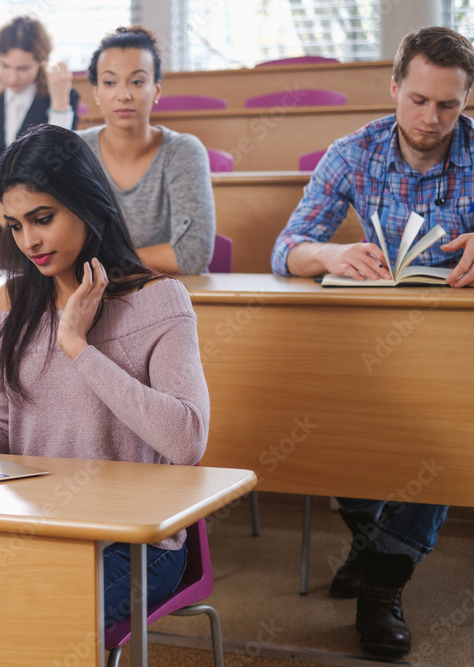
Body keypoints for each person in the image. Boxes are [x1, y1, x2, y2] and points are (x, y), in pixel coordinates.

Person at [0, 124, 210, 625]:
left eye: (42, 219)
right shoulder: (11, 301)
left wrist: (78, 346)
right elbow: (4, 432)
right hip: (39, 528)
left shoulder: (158, 299)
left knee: (25, 618)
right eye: (15, 225)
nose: (29, 241)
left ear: (87, 204)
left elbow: (187, 440)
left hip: (136, 543)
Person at [271, 27, 474, 657]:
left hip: (459, 350)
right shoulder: (353, 152)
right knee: (329, 406)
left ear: (468, 100)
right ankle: (377, 539)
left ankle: (382, 583)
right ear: (393, 89)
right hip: (372, 342)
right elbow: (287, 249)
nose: (430, 118)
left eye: (448, 105)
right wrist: (332, 251)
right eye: (417, 101)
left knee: (451, 425)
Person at [79, 26, 215, 275]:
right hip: (96, 296)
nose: (124, 95)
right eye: (110, 82)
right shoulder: (77, 150)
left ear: (157, 91)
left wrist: (108, 259)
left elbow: (192, 254)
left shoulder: (183, 151)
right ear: (97, 93)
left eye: (138, 81)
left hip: (171, 296)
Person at [0, 15, 79, 173]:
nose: (12, 78)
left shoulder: (63, 96)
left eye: (23, 69)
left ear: (42, 62)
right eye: (5, 66)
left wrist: (60, 102)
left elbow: (61, 163)